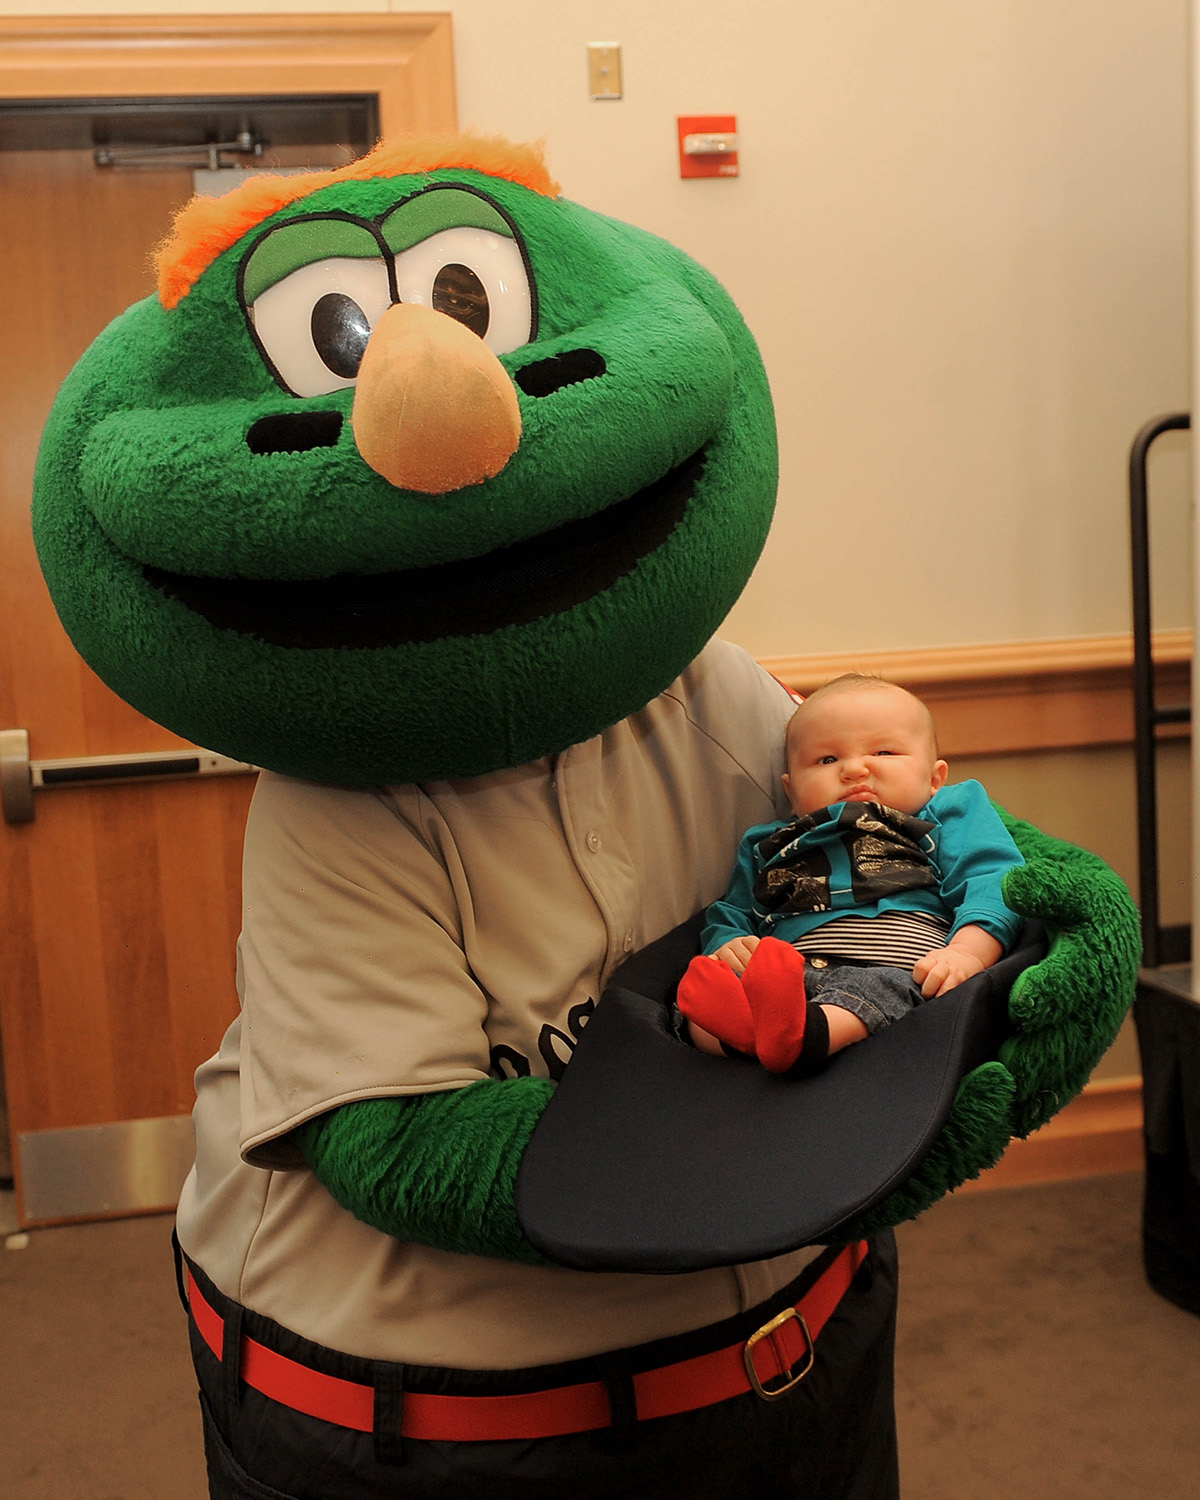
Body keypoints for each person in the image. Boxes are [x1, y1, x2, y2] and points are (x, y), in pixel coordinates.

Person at [678, 674, 1025, 1076]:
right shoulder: (768, 842)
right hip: (786, 976)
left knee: (872, 995)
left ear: (934, 778)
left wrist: (965, 952)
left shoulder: (943, 814)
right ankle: (740, 1036)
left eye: (885, 751)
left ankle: (804, 1038)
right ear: (791, 793)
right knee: (692, 1005)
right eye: (827, 760)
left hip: (895, 969)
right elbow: (733, 910)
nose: (854, 769)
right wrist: (728, 943)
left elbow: (993, 882)